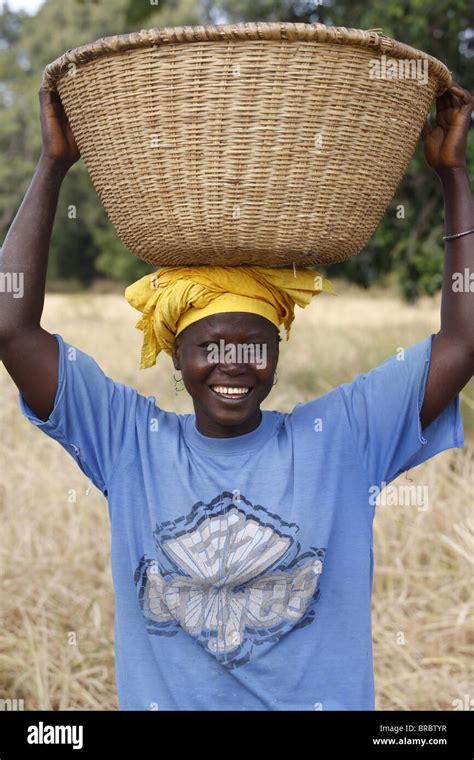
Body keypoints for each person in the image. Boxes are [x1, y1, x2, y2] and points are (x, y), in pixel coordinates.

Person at [0, 81, 472, 711]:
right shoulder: (127, 443)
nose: (234, 364)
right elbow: (9, 326)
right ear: (175, 354)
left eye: (255, 344)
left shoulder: (344, 439)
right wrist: (53, 164)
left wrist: (454, 177)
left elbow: (465, 342)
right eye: (210, 345)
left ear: (276, 352)